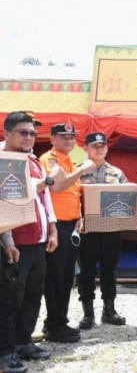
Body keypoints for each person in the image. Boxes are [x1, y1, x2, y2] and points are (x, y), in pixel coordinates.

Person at [0, 111, 58, 373]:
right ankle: (5, 352)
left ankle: (23, 342)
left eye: (33, 133)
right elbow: (2, 205)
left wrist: (52, 230)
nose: (30, 137)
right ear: (7, 133)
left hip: (37, 239)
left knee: (32, 295)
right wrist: (7, 240)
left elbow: (44, 199)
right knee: (9, 300)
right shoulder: (2, 160)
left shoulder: (33, 161)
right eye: (23, 132)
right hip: (15, 241)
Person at [39, 123, 95, 343]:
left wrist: (79, 215)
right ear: (52, 139)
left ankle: (57, 321)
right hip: (56, 225)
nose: (69, 141)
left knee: (66, 276)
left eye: (72, 138)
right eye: (64, 137)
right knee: (55, 276)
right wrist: (82, 170)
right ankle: (55, 325)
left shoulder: (69, 160)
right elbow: (57, 187)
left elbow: (74, 192)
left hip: (70, 224)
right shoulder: (49, 159)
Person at [77, 132, 128, 330]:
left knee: (109, 271)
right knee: (87, 272)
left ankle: (109, 310)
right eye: (94, 145)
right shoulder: (76, 171)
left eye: (102, 145)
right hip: (87, 230)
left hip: (111, 230)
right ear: (86, 148)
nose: (99, 148)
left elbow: (127, 199)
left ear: (107, 148)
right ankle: (88, 313)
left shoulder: (117, 173)